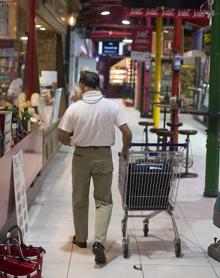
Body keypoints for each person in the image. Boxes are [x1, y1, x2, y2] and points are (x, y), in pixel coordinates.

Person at [58, 71, 132, 264]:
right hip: (104, 156)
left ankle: (81, 240)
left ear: (82, 85)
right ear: (98, 86)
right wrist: (125, 150)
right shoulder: (111, 107)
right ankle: (99, 243)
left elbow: (62, 136)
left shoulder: (75, 108)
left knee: (79, 199)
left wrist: (73, 140)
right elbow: (127, 132)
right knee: (104, 201)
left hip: (81, 157)